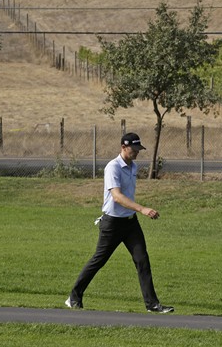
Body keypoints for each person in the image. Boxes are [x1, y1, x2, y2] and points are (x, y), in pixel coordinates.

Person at [65, 132, 174, 313]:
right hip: (112, 224)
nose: (137, 152)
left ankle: (152, 304)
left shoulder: (133, 166)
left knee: (142, 260)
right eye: (134, 149)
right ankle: (74, 297)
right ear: (123, 147)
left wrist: (136, 211)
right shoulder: (113, 167)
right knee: (98, 261)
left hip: (130, 223)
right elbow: (117, 197)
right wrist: (142, 209)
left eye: (139, 149)